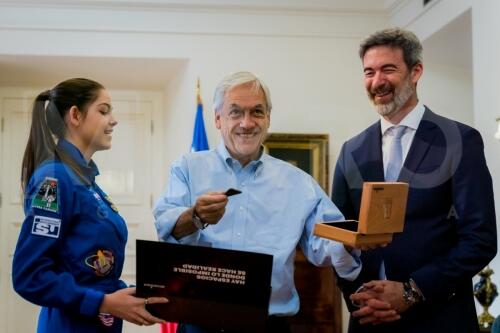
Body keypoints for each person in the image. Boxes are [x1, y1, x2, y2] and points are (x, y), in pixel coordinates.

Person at [153, 71, 361, 333]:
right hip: (199, 323)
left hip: (269, 325)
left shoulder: (299, 182)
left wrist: (352, 242)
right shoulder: (187, 168)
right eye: (236, 112)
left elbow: (323, 245)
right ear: (218, 119)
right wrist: (195, 216)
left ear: (268, 119)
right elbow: (164, 226)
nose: (247, 123)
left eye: (257, 112)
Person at [331, 28, 497, 333]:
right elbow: (340, 237)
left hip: (440, 319)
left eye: (388, 69)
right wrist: (360, 300)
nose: (377, 81)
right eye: (369, 72)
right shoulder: (351, 150)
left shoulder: (460, 140)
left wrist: (412, 291)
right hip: (369, 321)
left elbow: (481, 239)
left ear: (416, 71)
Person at [12, 78, 168, 332]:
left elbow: (85, 268)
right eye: (104, 110)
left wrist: (127, 294)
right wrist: (104, 302)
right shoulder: (53, 179)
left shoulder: (86, 183)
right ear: (75, 115)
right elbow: (29, 275)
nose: (114, 120)